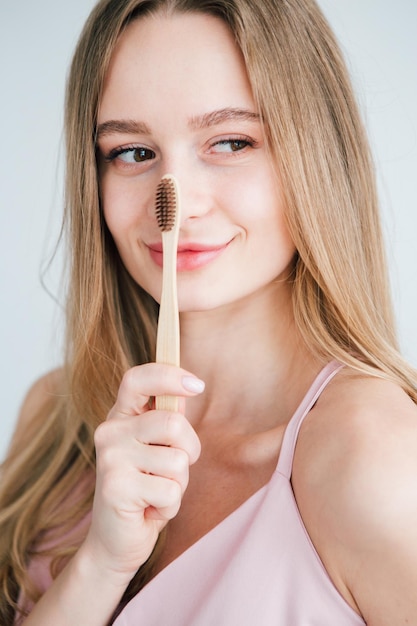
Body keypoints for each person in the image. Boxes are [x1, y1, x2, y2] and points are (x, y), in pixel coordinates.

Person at [1, 0, 417, 623]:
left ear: (316, 155)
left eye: (230, 141)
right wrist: (99, 566)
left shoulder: (374, 458)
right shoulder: (54, 421)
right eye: (133, 152)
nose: (178, 200)